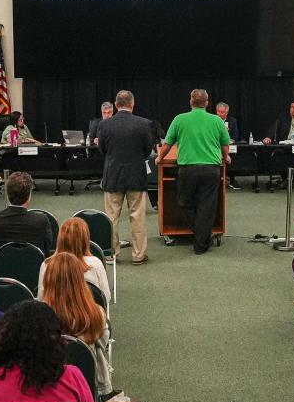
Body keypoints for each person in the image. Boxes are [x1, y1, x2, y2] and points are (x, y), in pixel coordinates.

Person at [156, 89, 231, 255]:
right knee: (207, 206)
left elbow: (167, 144)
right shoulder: (217, 120)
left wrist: (159, 158)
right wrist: (225, 157)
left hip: (187, 170)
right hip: (211, 170)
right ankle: (203, 238)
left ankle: (200, 240)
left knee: (184, 203)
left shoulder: (180, 119)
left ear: (190, 102)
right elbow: (225, 145)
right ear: (207, 103)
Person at [40, 252, 112, 396]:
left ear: (48, 279)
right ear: (80, 279)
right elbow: (103, 344)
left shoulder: (37, 315)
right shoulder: (96, 313)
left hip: (45, 385)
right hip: (87, 386)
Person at [97, 90, 153, 266]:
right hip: (136, 175)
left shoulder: (105, 125)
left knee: (111, 217)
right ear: (132, 104)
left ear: (115, 104)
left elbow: (103, 151)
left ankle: (111, 254)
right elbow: (147, 151)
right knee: (137, 216)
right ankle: (138, 255)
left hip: (113, 175)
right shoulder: (144, 124)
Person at [38, 218, 110, 301]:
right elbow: (106, 297)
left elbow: (41, 298)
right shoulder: (95, 264)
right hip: (87, 312)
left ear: (60, 238)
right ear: (85, 239)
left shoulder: (47, 265)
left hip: (54, 313)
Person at [0, 172, 52, 254]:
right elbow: (48, 246)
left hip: (1, 265)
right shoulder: (41, 220)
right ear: (29, 196)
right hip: (33, 265)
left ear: (7, 193)